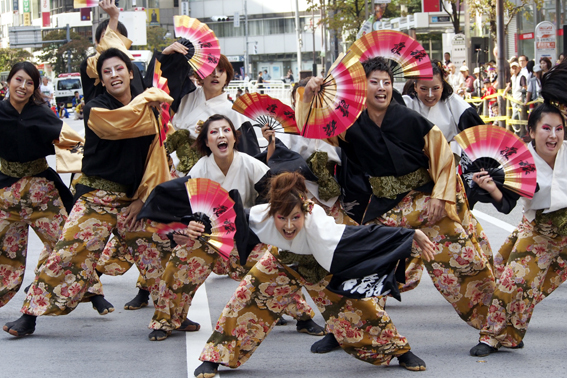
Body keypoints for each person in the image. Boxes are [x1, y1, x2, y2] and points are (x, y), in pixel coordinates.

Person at [297, 56, 496, 333]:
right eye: (374, 82)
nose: (382, 88)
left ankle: (496, 328)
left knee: (464, 262)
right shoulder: (350, 124)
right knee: (362, 266)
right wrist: (308, 96)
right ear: (361, 87)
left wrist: (440, 197)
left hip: (426, 204)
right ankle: (355, 333)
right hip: (381, 209)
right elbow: (311, 128)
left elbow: (443, 158)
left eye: (387, 82)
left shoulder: (412, 120)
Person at [193, 171, 437, 377]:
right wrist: (197, 226)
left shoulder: (319, 225)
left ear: (304, 212)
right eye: (282, 218)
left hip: (321, 264)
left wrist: (408, 235)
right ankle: (215, 357)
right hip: (281, 261)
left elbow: (361, 236)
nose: (289, 226)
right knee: (244, 300)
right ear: (272, 213)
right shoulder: (260, 216)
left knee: (359, 308)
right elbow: (222, 220)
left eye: (295, 218)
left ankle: (400, 351)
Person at [3, 48, 172, 337]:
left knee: (157, 255)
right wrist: (147, 99)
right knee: (66, 254)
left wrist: (142, 201)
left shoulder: (150, 110)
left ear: (130, 73)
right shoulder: (97, 108)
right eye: (107, 72)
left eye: (119, 69)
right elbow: (120, 125)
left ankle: (169, 318)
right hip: (96, 197)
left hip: (134, 199)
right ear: (102, 80)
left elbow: (155, 161)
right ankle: (30, 315)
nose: (114, 75)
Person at [144, 114, 324, 341]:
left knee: (273, 267)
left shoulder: (251, 165)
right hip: (208, 240)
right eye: (214, 132)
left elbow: (269, 201)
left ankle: (304, 318)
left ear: (234, 137)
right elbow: (186, 207)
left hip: (245, 239)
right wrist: (185, 227)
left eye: (226, 130)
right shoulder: (200, 169)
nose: (221, 135)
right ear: (206, 142)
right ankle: (167, 319)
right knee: (179, 261)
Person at [469, 101, 566, 356]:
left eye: (559, 129)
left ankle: (510, 330)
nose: (553, 135)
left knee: (535, 290)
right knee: (514, 282)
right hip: (539, 231)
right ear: (532, 131)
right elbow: (506, 204)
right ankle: (492, 336)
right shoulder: (520, 161)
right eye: (546, 128)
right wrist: (492, 189)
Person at [0, 62, 83, 309]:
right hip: (6, 192)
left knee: (63, 244)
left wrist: (85, 161)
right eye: (19, 80)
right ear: (9, 82)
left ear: (35, 87)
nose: (23, 87)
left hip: (41, 191)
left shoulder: (41, 112)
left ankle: (91, 294)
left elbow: (70, 141)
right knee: (6, 253)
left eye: (29, 83)